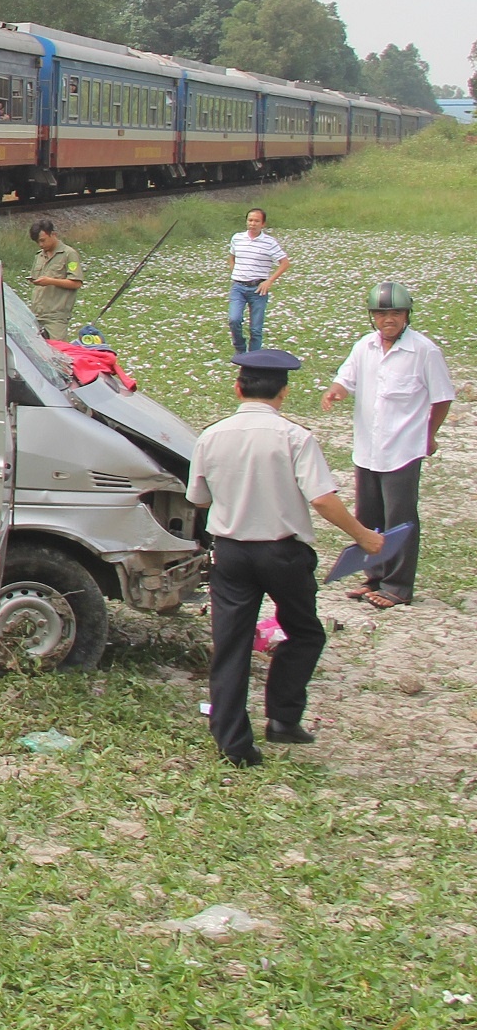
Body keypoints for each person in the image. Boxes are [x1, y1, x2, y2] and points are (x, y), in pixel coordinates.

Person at [188, 348, 384, 765]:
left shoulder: (211, 435)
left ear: (238, 387)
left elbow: (198, 498)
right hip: (283, 552)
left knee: (232, 645)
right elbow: (324, 500)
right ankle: (283, 717)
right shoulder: (295, 437)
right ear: (284, 393)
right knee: (305, 631)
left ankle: (232, 743)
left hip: (232, 553)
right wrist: (364, 537)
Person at [322, 283, 454, 609]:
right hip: (368, 447)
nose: (388, 319)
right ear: (372, 317)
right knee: (369, 517)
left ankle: (397, 587)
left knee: (400, 519)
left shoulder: (424, 351)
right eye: (382, 313)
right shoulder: (364, 346)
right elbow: (347, 377)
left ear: (407, 315)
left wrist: (429, 434)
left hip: (403, 449)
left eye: (395, 312)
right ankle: (373, 577)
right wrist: (336, 390)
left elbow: (442, 397)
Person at [224, 207, 292, 356]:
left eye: (256, 221)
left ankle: (254, 357)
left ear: (263, 224)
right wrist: (235, 271)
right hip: (239, 287)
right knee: (234, 319)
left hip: (258, 289)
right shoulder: (237, 238)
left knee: (256, 328)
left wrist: (269, 281)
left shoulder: (269, 242)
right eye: (250, 220)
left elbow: (285, 263)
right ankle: (240, 349)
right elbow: (232, 256)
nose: (252, 223)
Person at [26, 219, 83, 341]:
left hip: (56, 317)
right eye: (37, 242)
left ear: (53, 234)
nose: (41, 245)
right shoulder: (39, 256)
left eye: (43, 240)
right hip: (37, 314)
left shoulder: (69, 254)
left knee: (57, 353)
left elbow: (76, 283)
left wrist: (50, 281)